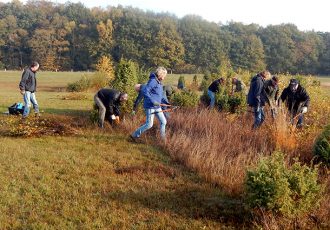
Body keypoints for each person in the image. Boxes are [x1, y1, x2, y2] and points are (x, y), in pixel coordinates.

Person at [130, 67, 168, 141]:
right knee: (149, 124)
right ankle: (134, 135)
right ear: (160, 74)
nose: (165, 77)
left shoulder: (159, 82)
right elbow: (145, 91)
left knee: (163, 121)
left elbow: (159, 95)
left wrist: (166, 103)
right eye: (164, 75)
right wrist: (153, 101)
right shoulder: (153, 81)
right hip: (151, 106)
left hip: (157, 106)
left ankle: (163, 139)